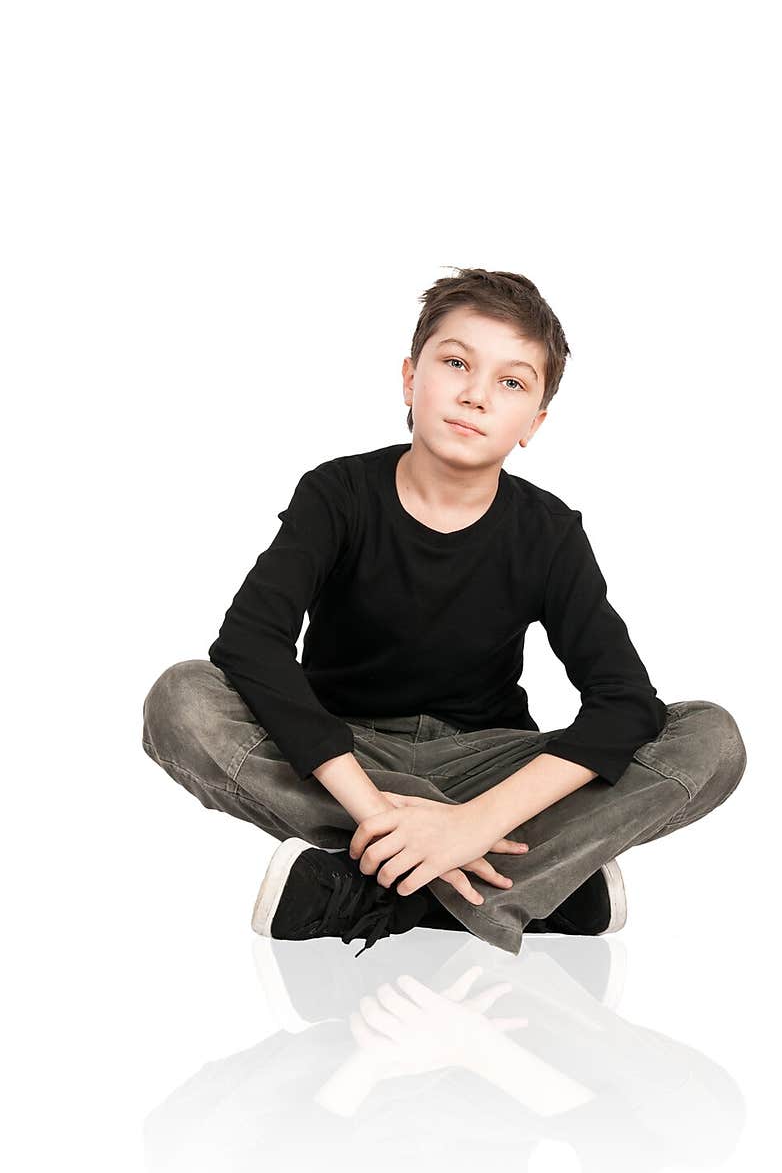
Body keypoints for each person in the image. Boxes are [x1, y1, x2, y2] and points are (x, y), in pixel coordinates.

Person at [142, 267, 747, 956]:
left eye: (510, 382)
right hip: (346, 751)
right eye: (456, 362)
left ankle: (375, 886)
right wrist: (377, 807)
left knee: (711, 739)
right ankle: (526, 883)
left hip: (489, 762)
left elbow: (625, 705)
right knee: (181, 700)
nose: (474, 395)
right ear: (409, 379)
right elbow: (250, 644)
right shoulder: (337, 493)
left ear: (535, 423)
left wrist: (474, 823)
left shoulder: (547, 532)